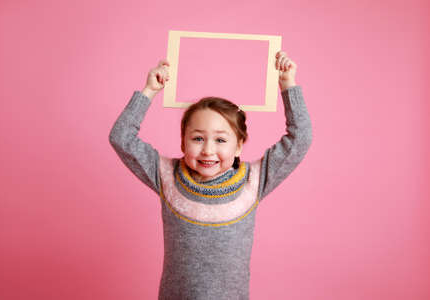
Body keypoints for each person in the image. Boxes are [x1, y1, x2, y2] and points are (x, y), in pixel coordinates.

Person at [109, 51, 312, 299]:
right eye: (197, 138)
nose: (208, 150)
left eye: (220, 140)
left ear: (239, 146)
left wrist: (287, 84)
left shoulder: (254, 180)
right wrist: (149, 91)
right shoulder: (166, 175)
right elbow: (121, 137)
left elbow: (300, 138)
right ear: (182, 142)